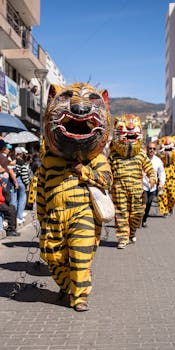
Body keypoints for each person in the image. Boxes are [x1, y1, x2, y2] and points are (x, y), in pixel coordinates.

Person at [37, 82, 113, 312]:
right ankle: (68, 284)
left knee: (80, 258)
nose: (80, 108)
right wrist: (42, 218)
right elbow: (41, 191)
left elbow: (107, 181)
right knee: (52, 258)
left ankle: (79, 296)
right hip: (54, 217)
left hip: (83, 214)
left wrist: (85, 171)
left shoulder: (96, 160)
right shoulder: (48, 160)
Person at [109, 114, 156, 249]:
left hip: (137, 189)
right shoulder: (113, 155)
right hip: (119, 188)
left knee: (137, 213)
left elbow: (149, 168)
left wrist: (152, 178)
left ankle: (132, 232)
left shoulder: (141, 154)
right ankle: (123, 238)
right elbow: (107, 171)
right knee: (121, 212)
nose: (130, 128)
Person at [142, 142, 166, 227]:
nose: (151, 150)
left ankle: (144, 219)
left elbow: (162, 173)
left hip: (153, 187)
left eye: (153, 149)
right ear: (147, 149)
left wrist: (161, 183)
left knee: (149, 203)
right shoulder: (142, 158)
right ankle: (138, 219)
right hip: (143, 185)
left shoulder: (158, 161)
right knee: (144, 203)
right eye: (150, 148)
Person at [10, 147, 30, 225]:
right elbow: (24, 174)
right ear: (20, 154)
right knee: (22, 199)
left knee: (14, 200)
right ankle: (19, 217)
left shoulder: (12, 161)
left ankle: (13, 217)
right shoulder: (21, 162)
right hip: (21, 181)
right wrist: (27, 184)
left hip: (13, 180)